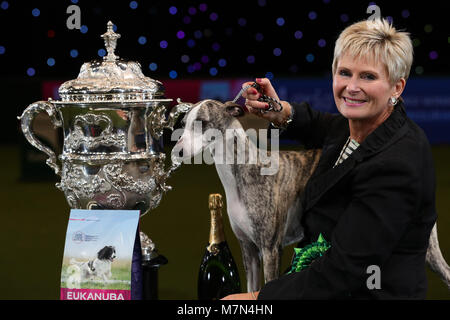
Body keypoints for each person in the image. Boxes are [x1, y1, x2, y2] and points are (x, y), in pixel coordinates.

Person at [222, 18, 437, 299]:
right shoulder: (356, 127)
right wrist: (281, 111)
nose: (352, 86)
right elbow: (320, 125)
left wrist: (257, 299)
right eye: (345, 73)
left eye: (368, 77)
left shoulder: (397, 163)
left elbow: (343, 270)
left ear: (397, 88)